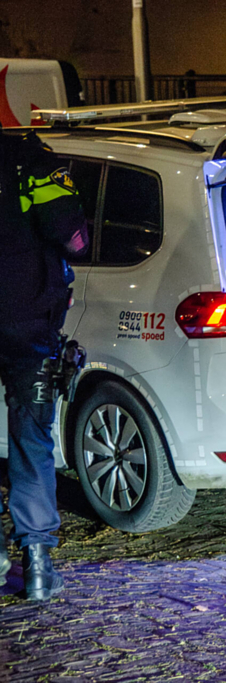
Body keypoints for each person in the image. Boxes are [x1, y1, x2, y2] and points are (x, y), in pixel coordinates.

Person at [0, 124, 88, 601]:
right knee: (31, 440)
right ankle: (36, 564)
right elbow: (75, 240)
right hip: (29, 322)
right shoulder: (34, 166)